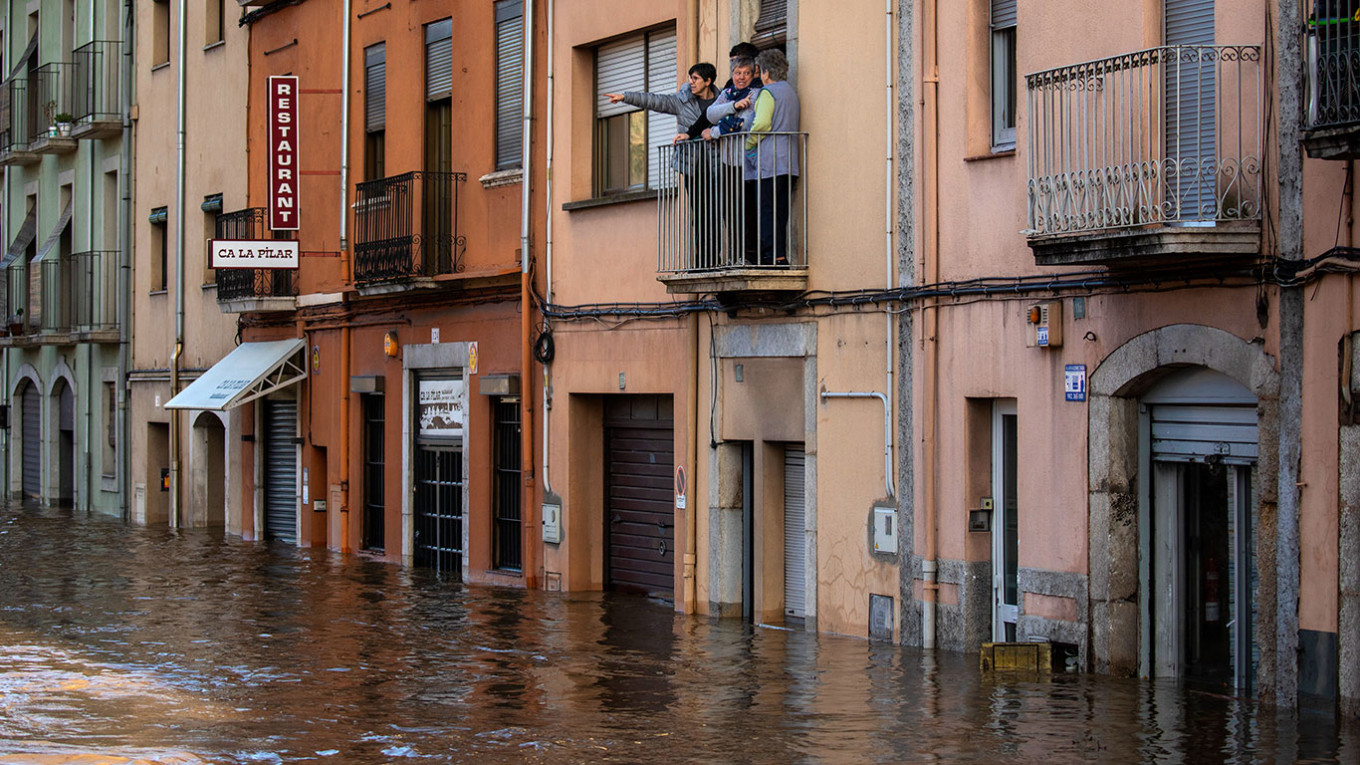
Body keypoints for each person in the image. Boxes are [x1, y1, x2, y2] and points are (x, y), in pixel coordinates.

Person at [604, 63, 721, 263]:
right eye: (690, 78)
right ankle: (704, 259)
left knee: (717, 211)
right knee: (699, 213)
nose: (691, 82)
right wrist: (625, 97)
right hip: (692, 166)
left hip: (717, 163)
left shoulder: (721, 100)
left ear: (708, 81)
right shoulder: (682, 101)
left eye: (696, 78)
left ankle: (715, 257)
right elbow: (655, 101)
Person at [746, 49, 800, 266]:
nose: (759, 76)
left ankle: (770, 257)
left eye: (760, 72)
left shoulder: (767, 93)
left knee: (767, 211)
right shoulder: (790, 92)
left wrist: (748, 142)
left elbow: (761, 124)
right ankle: (780, 256)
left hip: (770, 161)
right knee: (781, 212)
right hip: (790, 161)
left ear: (766, 72)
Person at [705, 57, 761, 264]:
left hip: (747, 163)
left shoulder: (756, 95)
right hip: (728, 161)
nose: (741, 78)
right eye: (738, 73)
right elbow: (710, 113)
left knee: (746, 211)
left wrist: (715, 132)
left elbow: (746, 123)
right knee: (730, 211)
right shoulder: (728, 95)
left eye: (746, 73)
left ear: (753, 74)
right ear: (732, 74)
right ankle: (737, 254)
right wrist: (734, 106)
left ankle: (749, 257)